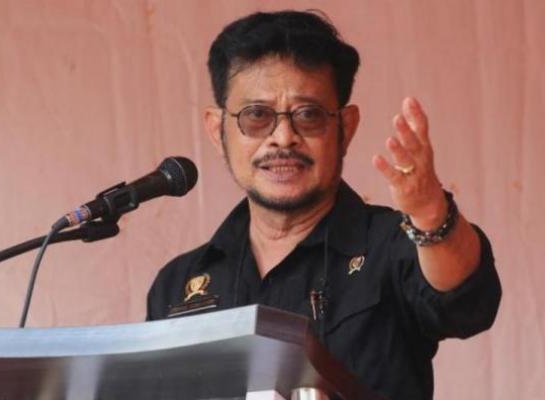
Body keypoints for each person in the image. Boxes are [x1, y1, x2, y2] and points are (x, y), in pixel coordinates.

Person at [147, 10, 501, 400]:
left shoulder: (394, 244)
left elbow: (468, 303)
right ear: (218, 131)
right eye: (257, 115)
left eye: (308, 115)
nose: (283, 137)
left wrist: (431, 214)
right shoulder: (177, 284)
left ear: (345, 128)